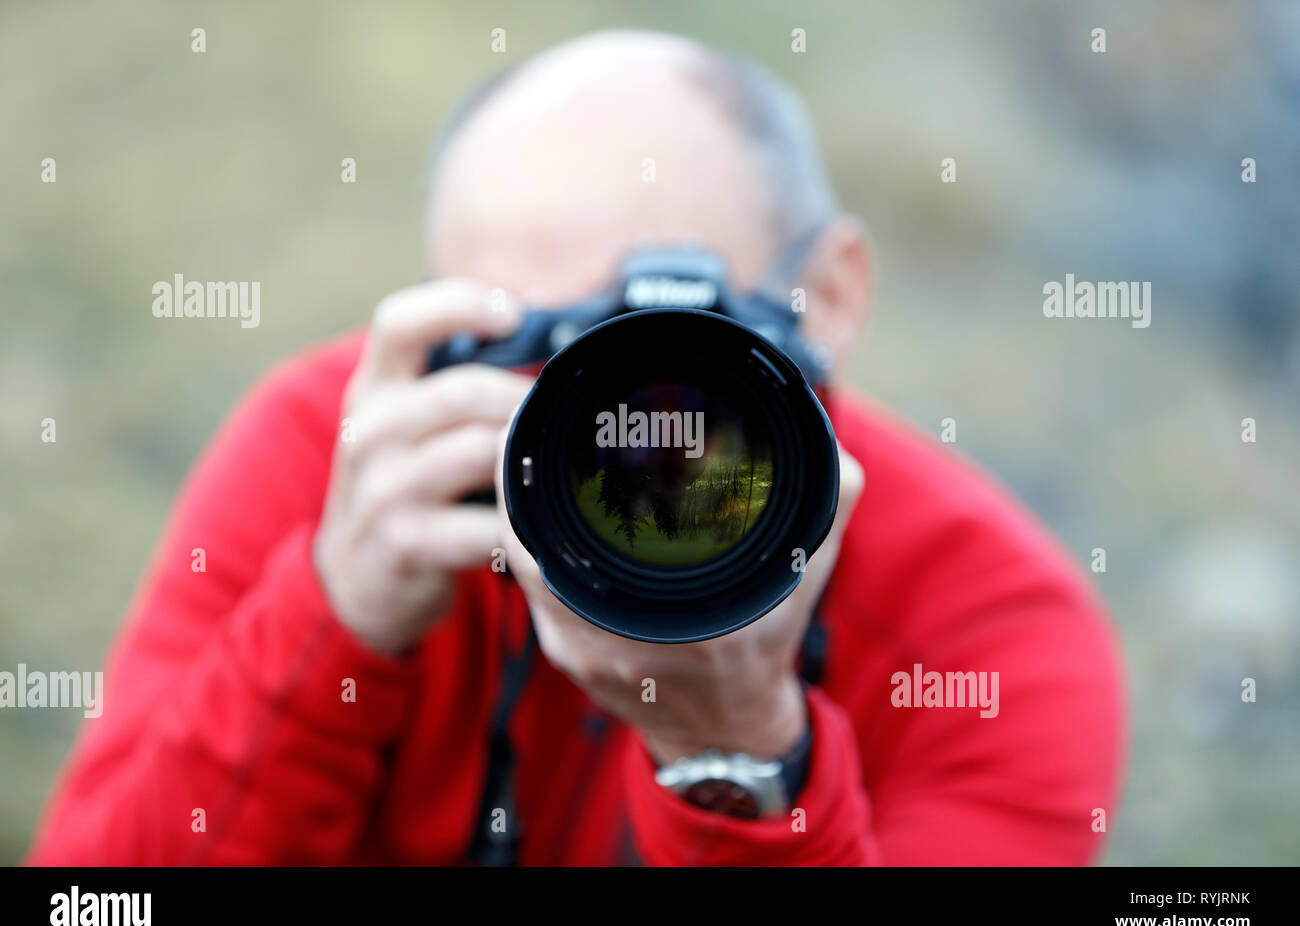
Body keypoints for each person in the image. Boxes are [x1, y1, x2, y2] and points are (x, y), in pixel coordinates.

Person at [28, 30, 1125, 866]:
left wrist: (738, 761)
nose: (615, 432)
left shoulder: (988, 628)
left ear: (827, 295)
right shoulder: (339, 451)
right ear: (446, 322)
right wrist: (330, 626)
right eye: (536, 349)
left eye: (675, 350)